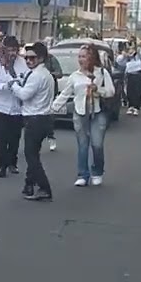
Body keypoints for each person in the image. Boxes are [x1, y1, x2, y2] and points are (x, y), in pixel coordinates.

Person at [53, 45, 115, 187]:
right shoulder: (75, 76)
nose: (81, 59)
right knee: (82, 145)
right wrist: (53, 108)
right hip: (80, 112)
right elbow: (65, 94)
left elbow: (111, 91)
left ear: (91, 58)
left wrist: (98, 90)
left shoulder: (101, 73)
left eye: (84, 56)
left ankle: (97, 172)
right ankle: (83, 174)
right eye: (79, 56)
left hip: (97, 112)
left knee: (97, 144)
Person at [5, 42, 56, 201]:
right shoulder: (43, 74)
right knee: (33, 153)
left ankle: (43, 187)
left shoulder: (38, 75)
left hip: (36, 118)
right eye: (26, 58)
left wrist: (13, 86)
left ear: (41, 58)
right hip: (42, 118)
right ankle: (29, 184)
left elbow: (24, 95)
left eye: (32, 58)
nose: (28, 61)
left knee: (31, 155)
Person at [0, 36, 29, 178]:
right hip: (1, 106)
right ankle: (1, 165)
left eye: (15, 50)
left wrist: (19, 83)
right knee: (1, 137)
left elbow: (27, 79)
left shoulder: (22, 63)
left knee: (15, 137)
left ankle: (12, 163)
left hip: (17, 107)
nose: (12, 53)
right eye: (10, 50)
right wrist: (3, 86)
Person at [118, 46, 141, 116]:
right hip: (129, 75)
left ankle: (136, 107)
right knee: (129, 91)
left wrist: (139, 51)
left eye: (132, 50)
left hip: (138, 75)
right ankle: (131, 106)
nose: (131, 52)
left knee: (138, 91)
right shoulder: (126, 57)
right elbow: (119, 62)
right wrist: (124, 55)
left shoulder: (139, 56)